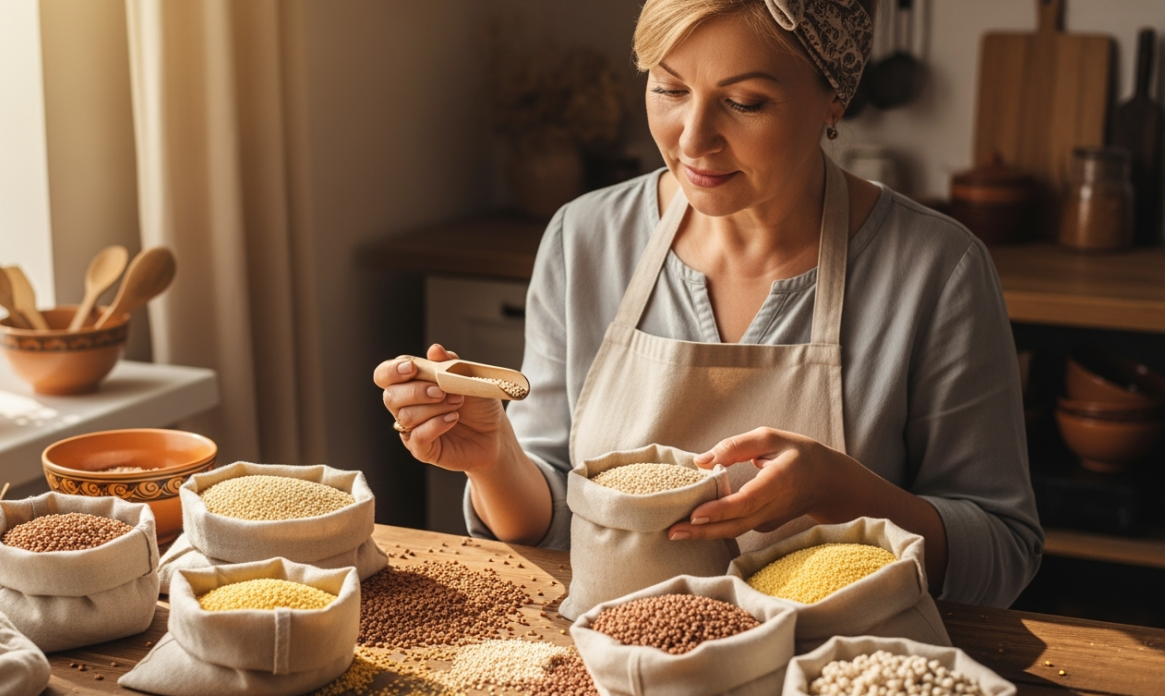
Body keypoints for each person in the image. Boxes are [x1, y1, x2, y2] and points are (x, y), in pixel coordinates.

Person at [373, 0, 1042, 607]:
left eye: (744, 102)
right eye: (669, 88)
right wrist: (493, 459)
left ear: (834, 100)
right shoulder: (585, 238)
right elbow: (558, 523)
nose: (693, 139)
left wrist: (844, 493)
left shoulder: (938, 270)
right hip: (614, 658)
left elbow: (1002, 552)